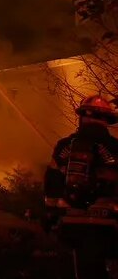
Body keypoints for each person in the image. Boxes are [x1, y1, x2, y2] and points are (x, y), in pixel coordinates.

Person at [43, 95, 118, 279]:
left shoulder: (64, 146)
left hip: (72, 224)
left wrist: (50, 216)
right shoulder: (115, 148)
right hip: (109, 225)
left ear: (82, 116)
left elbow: (51, 182)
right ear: (107, 120)